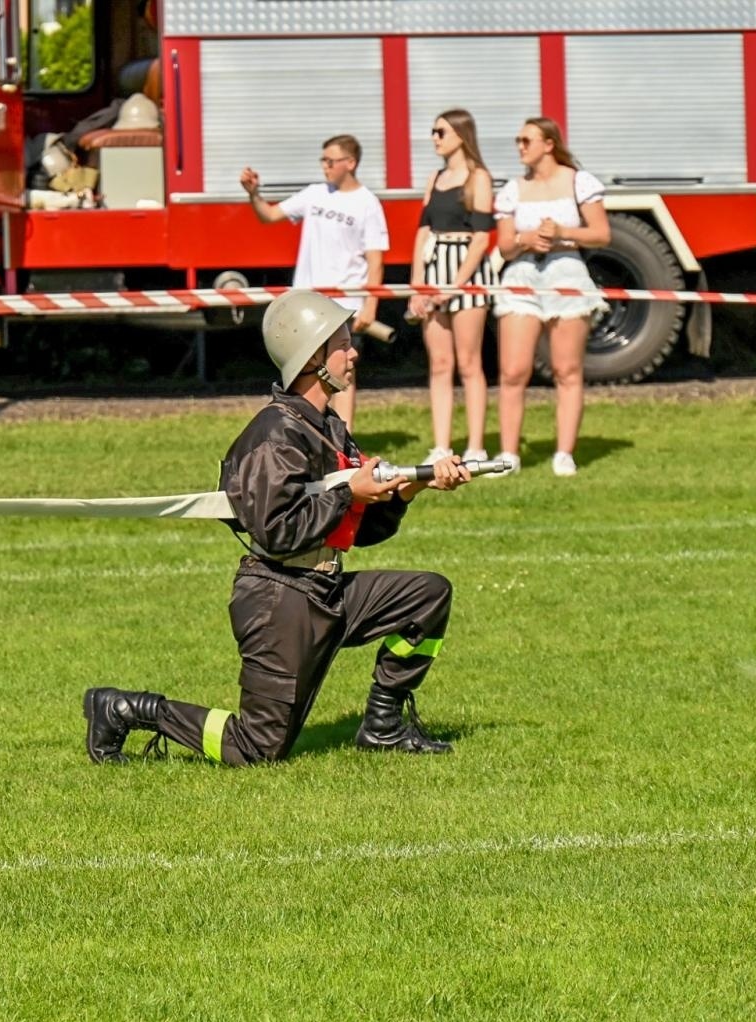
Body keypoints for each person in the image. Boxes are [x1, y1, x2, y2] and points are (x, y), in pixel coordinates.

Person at [81, 291, 470, 766]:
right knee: (256, 749)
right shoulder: (275, 433)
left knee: (425, 596)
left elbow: (360, 531)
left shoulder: (327, 427)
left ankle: (383, 727)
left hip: (323, 587)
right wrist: (350, 494)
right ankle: (125, 708)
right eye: (344, 345)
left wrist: (407, 491)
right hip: (279, 600)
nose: (354, 353)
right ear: (313, 359)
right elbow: (277, 532)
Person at [241, 135, 389, 431]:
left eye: (330, 161)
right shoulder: (314, 194)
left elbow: (375, 259)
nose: (325, 167)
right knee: (306, 374)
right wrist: (254, 194)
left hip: (342, 305)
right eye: (322, 160)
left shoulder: (367, 203)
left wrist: (370, 304)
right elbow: (270, 216)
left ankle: (344, 439)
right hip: (307, 307)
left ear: (351, 163)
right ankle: (310, 434)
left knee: (343, 372)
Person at [491, 117, 611, 477]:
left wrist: (561, 232)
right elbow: (505, 244)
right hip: (522, 275)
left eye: (526, 139)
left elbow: (602, 234)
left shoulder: (578, 182)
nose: (520, 146)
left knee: (567, 369)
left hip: (567, 273)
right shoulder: (513, 189)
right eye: (517, 140)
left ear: (548, 143)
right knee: (513, 371)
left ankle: (564, 453)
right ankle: (509, 454)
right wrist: (526, 239)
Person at [410, 109, 496, 465]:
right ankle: (441, 446)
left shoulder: (479, 178)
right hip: (434, 270)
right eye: (433, 131)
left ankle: (476, 447)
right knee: (440, 362)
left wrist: (455, 285)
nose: (434, 138)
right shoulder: (435, 178)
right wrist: (418, 284)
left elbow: (480, 239)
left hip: (467, 275)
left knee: (470, 362)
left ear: (461, 135)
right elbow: (423, 231)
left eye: (440, 131)